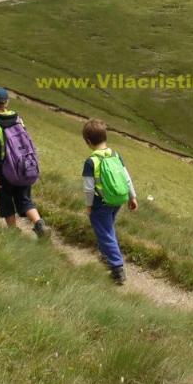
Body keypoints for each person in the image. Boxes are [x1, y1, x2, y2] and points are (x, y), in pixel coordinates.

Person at [0, 86, 49, 237]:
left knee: (6, 201)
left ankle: (13, 232)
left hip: (5, 170)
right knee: (25, 199)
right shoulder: (18, 118)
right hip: (24, 167)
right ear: (6, 103)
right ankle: (39, 224)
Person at [81, 118, 138, 284]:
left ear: (88, 141)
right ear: (106, 137)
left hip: (101, 203)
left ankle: (117, 267)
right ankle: (108, 256)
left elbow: (89, 188)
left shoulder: (91, 161)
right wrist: (132, 196)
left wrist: (89, 206)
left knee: (105, 234)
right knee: (108, 229)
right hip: (118, 200)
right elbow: (126, 178)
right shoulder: (116, 155)